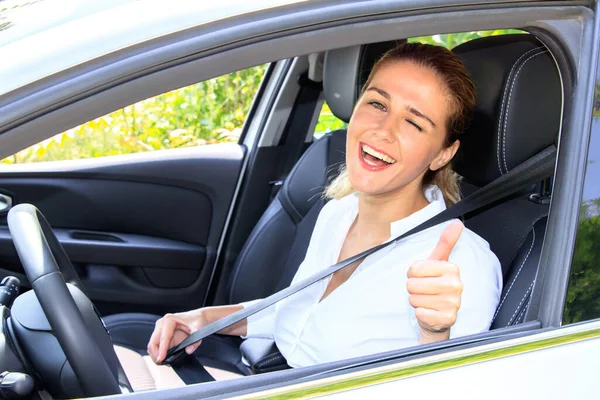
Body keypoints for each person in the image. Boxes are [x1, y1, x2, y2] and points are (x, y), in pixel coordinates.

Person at [147, 42, 502, 373]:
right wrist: (203, 320)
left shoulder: (460, 266)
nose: (382, 130)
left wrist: (434, 334)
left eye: (413, 122)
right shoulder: (339, 211)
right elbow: (296, 310)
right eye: (377, 103)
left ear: (443, 153)